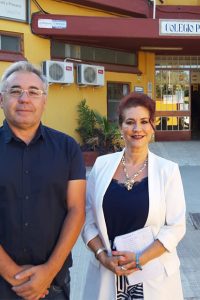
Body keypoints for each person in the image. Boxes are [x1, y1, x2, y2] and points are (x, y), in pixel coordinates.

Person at [82, 92, 186, 300]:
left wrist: (140, 259)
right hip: (109, 271)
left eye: (144, 122)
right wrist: (102, 256)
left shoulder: (168, 171)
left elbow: (175, 227)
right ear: (120, 127)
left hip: (152, 273)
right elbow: (87, 220)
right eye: (130, 122)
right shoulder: (102, 166)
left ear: (152, 127)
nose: (137, 129)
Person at [0, 61, 86, 300]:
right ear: (1, 99)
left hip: (53, 284)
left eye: (34, 92)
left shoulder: (67, 148)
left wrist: (48, 272)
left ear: (44, 101)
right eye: (15, 91)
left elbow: (77, 209)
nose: (24, 98)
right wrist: (14, 275)